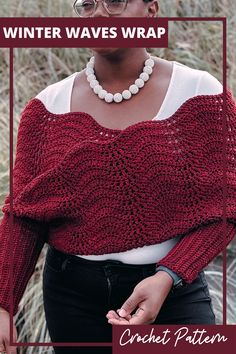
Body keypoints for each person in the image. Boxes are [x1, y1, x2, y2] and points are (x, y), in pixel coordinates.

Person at [1, 0, 236, 353]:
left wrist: (168, 275)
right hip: (72, 300)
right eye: (87, 4)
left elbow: (228, 203)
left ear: (152, 11)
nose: (99, 14)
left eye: (115, 2)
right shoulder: (47, 108)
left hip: (173, 295)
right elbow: (24, 218)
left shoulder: (200, 93)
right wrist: (3, 304)